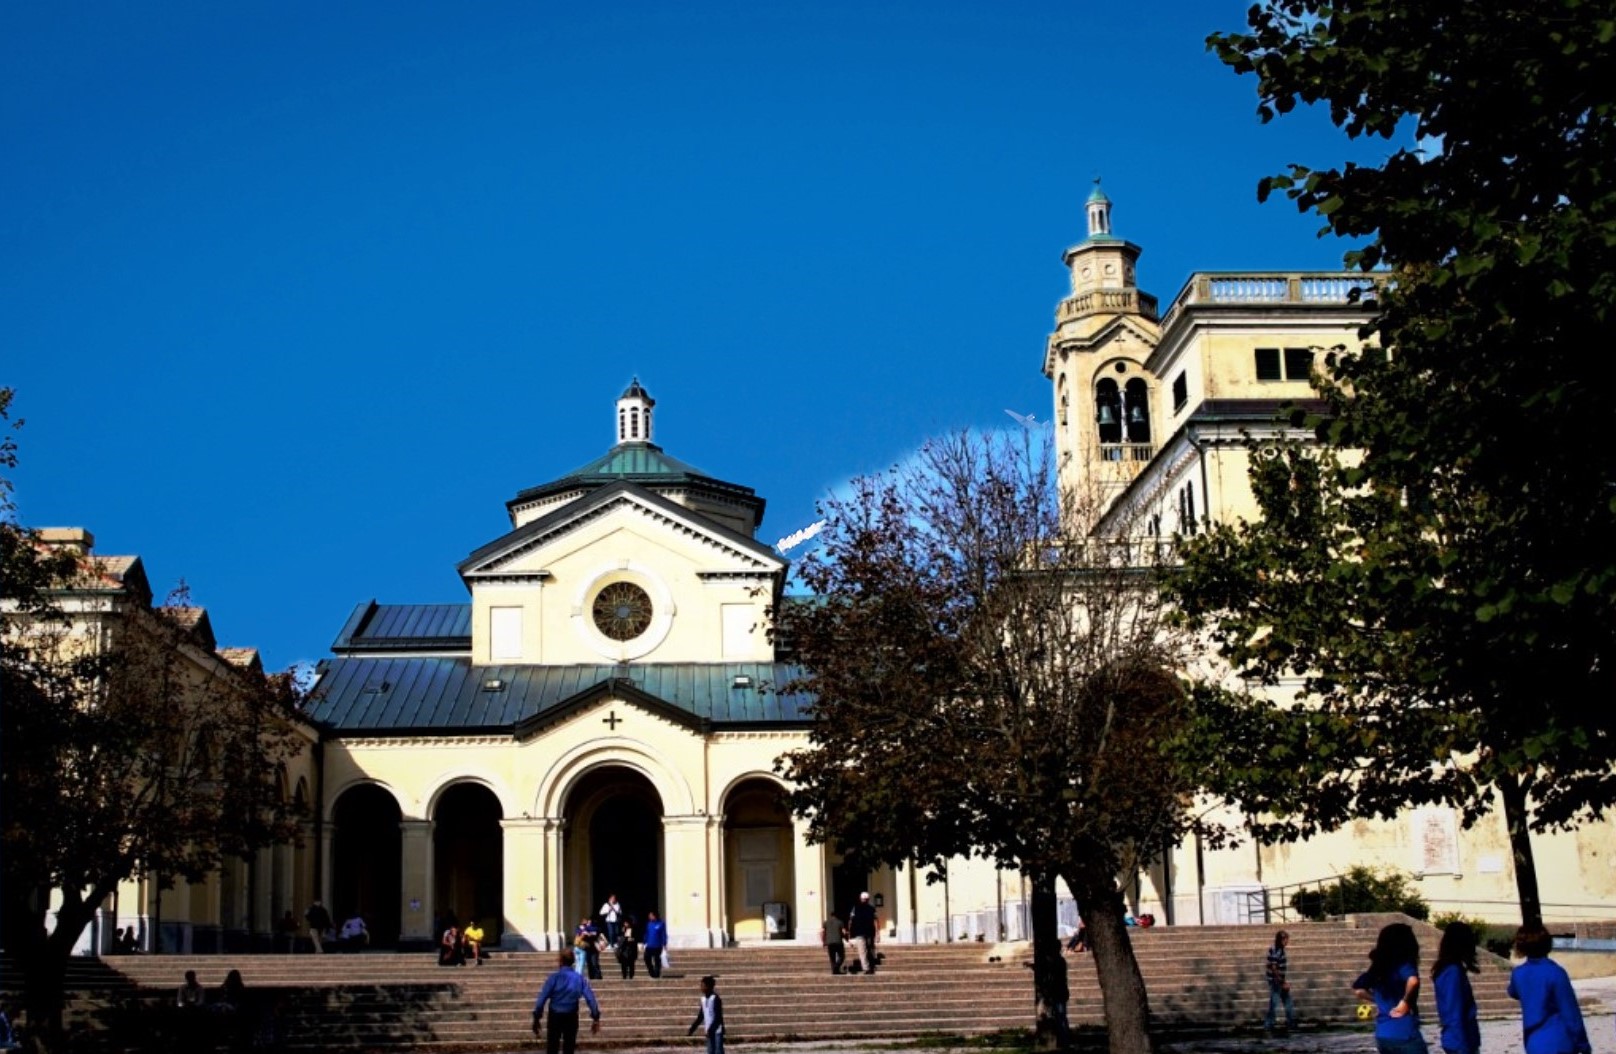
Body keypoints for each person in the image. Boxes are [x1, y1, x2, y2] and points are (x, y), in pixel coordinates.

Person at [1507, 924, 1590, 1054]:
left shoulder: (1518, 973)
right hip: (1560, 1041)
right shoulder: (1556, 972)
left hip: (1533, 1041)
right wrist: (1583, 1044)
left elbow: (1513, 992)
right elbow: (1571, 1014)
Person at [1353, 921, 1428, 1054]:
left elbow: (1359, 991)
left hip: (1383, 1034)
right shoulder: (1404, 963)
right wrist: (1405, 1002)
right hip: (1405, 1033)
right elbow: (1413, 981)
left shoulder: (1377, 968)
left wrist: (1378, 1000)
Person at [531, 948, 601, 1054]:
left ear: (560, 961)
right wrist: (595, 1017)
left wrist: (537, 1017)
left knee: (552, 1047)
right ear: (572, 961)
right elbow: (590, 998)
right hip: (571, 1015)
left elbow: (542, 998)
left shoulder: (554, 978)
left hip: (555, 1015)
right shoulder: (579, 979)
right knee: (569, 1047)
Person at [1432, 922, 1481, 1054]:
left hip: (1459, 1038)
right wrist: (1462, 1046)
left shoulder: (1450, 970)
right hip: (1460, 1041)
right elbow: (1454, 1011)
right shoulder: (1453, 972)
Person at [1265, 929, 1298, 1032]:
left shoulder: (1279, 949)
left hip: (1279, 980)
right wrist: (1282, 982)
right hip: (1276, 982)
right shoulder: (1277, 950)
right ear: (1282, 940)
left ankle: (1291, 1022)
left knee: (1288, 1002)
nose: (1287, 942)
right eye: (1286, 939)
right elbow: (1274, 968)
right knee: (1274, 1004)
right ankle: (1269, 1025)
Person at [686, 974, 725, 1054]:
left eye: (703, 986)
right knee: (710, 1051)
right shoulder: (703, 999)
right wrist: (692, 1029)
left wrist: (711, 1029)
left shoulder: (715, 998)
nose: (701, 988)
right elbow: (701, 1016)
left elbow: (718, 1017)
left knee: (718, 1051)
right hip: (708, 1030)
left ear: (709, 987)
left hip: (716, 1030)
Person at [848, 892, 878, 975]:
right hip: (869, 932)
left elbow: (850, 921)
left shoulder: (855, 908)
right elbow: (875, 921)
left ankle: (866, 968)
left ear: (860, 899)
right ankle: (870, 966)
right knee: (870, 949)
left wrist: (849, 934)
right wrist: (878, 933)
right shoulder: (872, 909)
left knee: (862, 951)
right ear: (868, 899)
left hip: (859, 932)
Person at [643, 909, 668, 979]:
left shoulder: (661, 923)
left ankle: (657, 974)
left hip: (657, 945)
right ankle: (651, 972)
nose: (650, 917)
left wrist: (664, 944)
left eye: (651, 915)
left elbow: (663, 934)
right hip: (649, 945)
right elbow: (646, 933)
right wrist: (644, 942)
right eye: (649, 915)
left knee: (657, 960)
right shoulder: (648, 924)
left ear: (655, 916)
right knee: (646, 958)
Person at [822, 910, 846, 975]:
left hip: (829, 942)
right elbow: (843, 932)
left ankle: (834, 970)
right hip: (838, 942)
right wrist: (846, 938)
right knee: (842, 956)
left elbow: (823, 933)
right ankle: (836, 967)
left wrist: (824, 942)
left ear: (830, 915)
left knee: (832, 958)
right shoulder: (840, 922)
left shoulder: (826, 923)